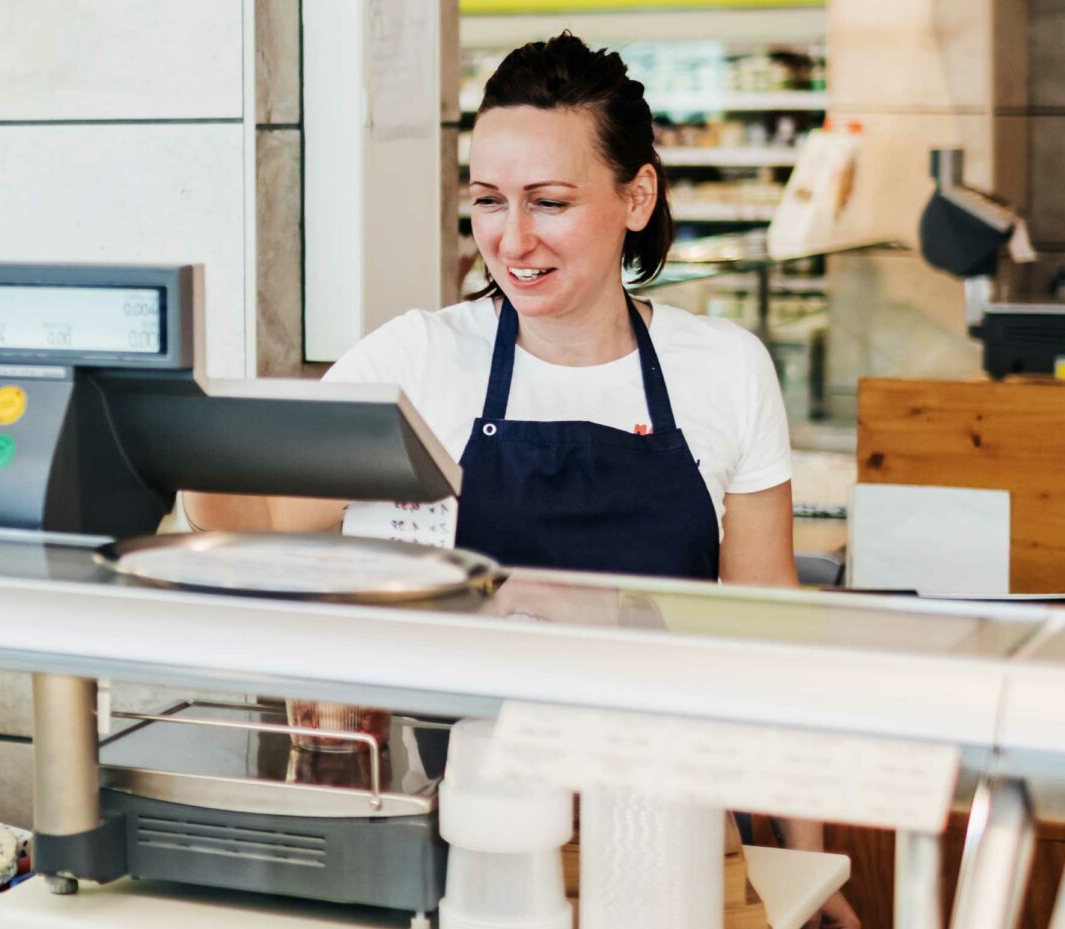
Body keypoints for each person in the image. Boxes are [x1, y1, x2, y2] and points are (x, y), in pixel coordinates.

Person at [186, 33, 853, 929]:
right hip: (460, 837)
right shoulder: (417, 358)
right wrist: (183, 428)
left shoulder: (726, 368)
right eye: (488, 202)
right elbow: (269, 522)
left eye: (550, 201)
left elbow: (765, 633)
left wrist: (801, 862)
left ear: (636, 194)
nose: (513, 238)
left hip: (666, 834)